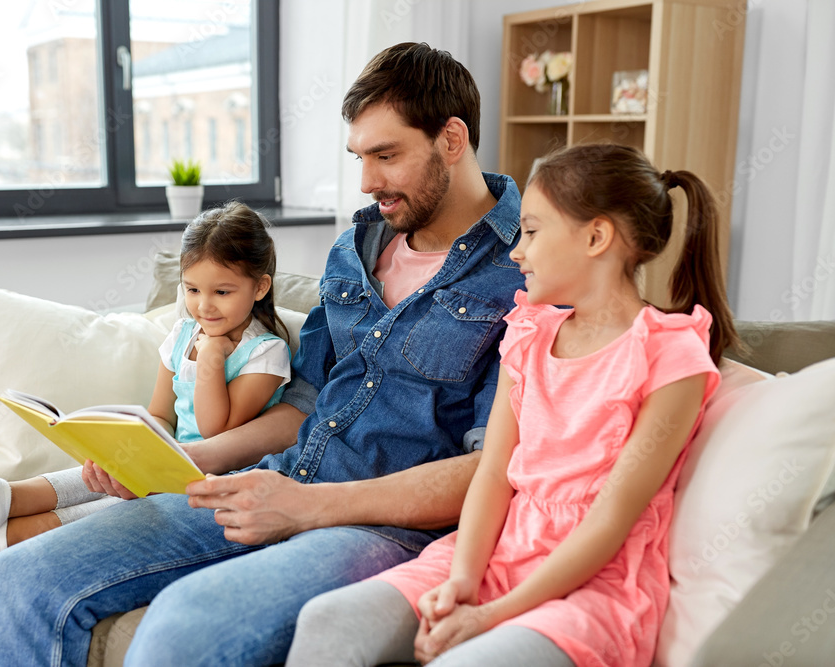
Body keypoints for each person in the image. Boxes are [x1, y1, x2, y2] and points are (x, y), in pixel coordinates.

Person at [0, 41, 526, 666]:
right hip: (279, 479)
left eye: (386, 156)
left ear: (452, 139)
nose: (369, 184)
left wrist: (310, 508)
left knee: (189, 626)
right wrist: (180, 460)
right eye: (360, 158)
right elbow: (304, 404)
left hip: (385, 528)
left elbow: (495, 470)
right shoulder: (356, 248)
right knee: (21, 576)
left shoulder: (525, 271)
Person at [286, 143, 737, 667]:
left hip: (591, 587)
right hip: (494, 549)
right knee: (330, 622)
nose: (516, 251)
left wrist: (491, 615)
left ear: (596, 237)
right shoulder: (527, 331)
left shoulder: (670, 353)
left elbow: (611, 520)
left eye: (532, 231)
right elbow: (494, 474)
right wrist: (462, 581)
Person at [0, 201, 291, 568]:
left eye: (222, 292)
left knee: (119, 503)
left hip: (219, 475)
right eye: (193, 290)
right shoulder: (182, 335)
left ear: (260, 287)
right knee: (101, 474)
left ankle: (1, 540)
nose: (204, 306)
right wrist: (128, 449)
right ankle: (2, 500)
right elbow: (160, 414)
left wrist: (213, 357)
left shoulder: (265, 353)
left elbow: (215, 428)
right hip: (173, 459)